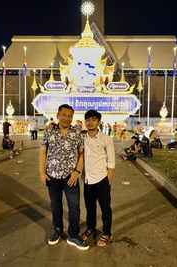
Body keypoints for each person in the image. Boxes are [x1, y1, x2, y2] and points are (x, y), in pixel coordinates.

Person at [39, 104, 89, 250]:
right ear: (58, 115)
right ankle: (58, 230)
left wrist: (77, 171)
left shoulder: (77, 133)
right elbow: (43, 152)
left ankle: (73, 235)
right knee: (55, 205)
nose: (67, 118)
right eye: (64, 115)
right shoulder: (49, 132)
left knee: (74, 207)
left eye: (69, 116)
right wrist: (42, 172)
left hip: (70, 176)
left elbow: (81, 154)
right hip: (52, 176)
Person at [81, 110, 115, 247]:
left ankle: (107, 232)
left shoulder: (106, 139)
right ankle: (91, 228)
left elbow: (111, 161)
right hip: (87, 179)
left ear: (99, 122)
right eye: (88, 120)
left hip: (102, 179)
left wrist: (108, 180)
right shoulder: (82, 138)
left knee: (105, 208)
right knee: (90, 207)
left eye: (93, 119)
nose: (90, 122)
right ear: (85, 122)